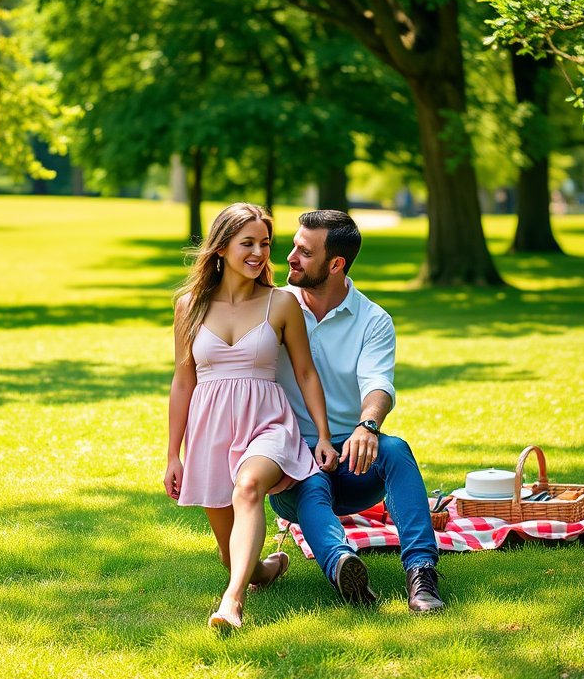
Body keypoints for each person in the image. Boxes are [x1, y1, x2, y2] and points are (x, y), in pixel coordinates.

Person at [164, 202, 339, 630]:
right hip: (210, 431)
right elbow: (183, 381)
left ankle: (232, 604)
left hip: (267, 424)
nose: (259, 253)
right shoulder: (189, 305)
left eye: (265, 243)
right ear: (221, 248)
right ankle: (265, 569)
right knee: (231, 556)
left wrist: (323, 435)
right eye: (248, 243)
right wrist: (173, 454)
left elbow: (305, 373)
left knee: (247, 490)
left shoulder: (280, 304)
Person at [269, 210, 445, 613]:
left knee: (396, 449)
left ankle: (421, 574)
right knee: (311, 484)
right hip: (289, 464)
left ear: (336, 264)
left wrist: (368, 426)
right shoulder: (274, 309)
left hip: (353, 460)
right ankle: (343, 566)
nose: (291, 258)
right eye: (293, 246)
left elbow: (378, 384)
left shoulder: (373, 320)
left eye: (304, 252)